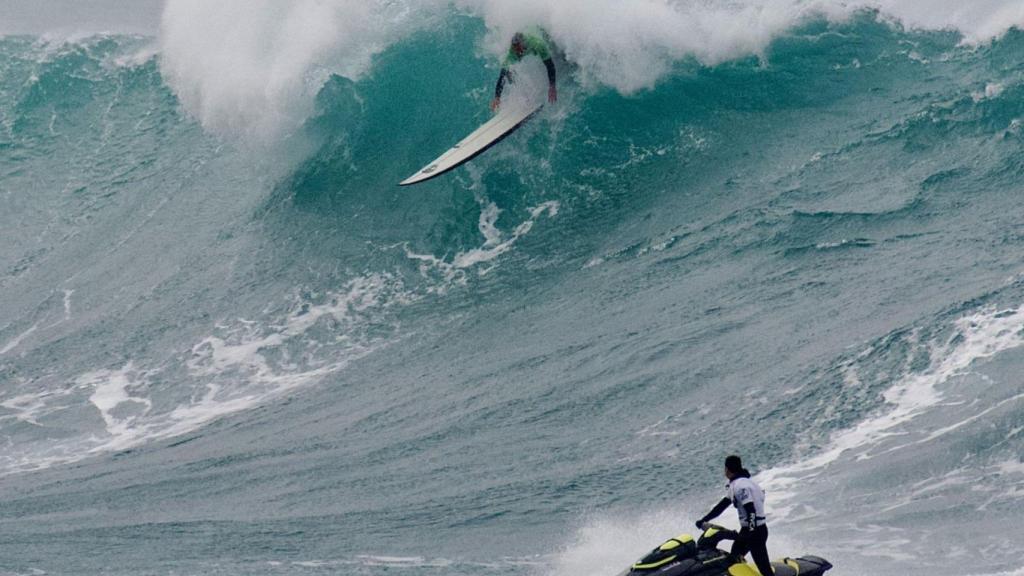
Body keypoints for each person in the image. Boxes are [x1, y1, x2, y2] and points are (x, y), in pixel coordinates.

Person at [696, 455, 773, 575]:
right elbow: (720, 507)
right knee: (734, 559)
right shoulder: (740, 483)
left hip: (756, 531)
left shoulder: (740, 486)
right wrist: (703, 520)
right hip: (751, 530)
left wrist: (751, 533)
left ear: (727, 469)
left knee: (765, 570)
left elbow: (751, 511)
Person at [491, 28, 557, 112]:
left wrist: (552, 86)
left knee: (553, 52)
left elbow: (549, 65)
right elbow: (502, 75)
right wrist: (497, 97)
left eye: (519, 49)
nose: (518, 52)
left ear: (523, 44)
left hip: (543, 32)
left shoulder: (537, 44)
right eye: (516, 50)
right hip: (529, 37)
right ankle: (525, 96)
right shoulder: (512, 52)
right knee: (508, 72)